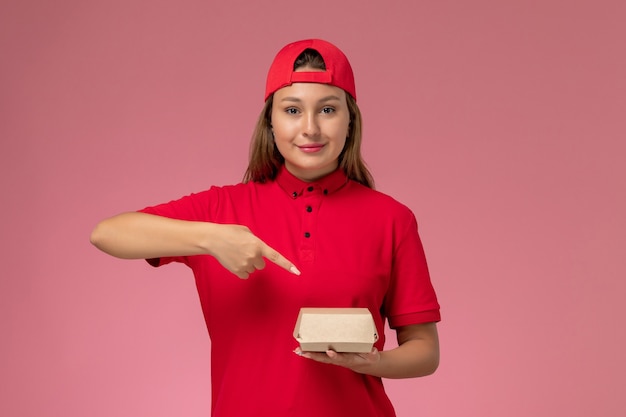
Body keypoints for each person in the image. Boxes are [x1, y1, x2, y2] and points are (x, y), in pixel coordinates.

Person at [90, 38, 441, 417]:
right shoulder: (222, 208)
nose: (310, 128)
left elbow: (424, 350)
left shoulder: (391, 219)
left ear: (350, 120)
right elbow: (107, 233)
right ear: (270, 122)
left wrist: (372, 363)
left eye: (327, 109)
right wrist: (211, 237)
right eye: (292, 110)